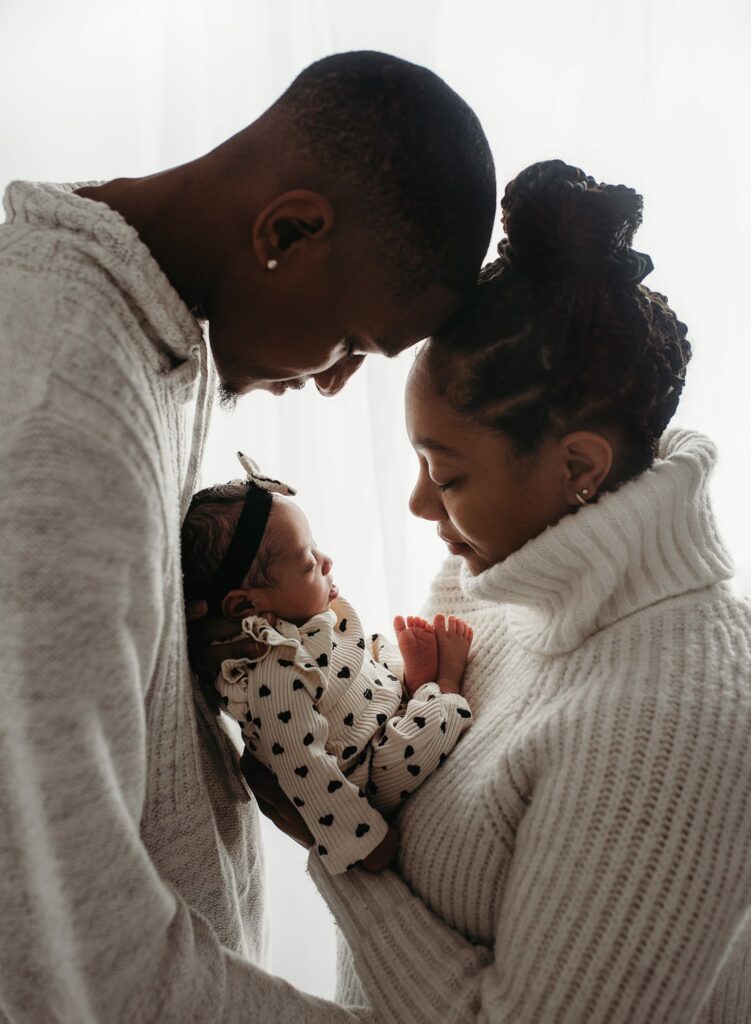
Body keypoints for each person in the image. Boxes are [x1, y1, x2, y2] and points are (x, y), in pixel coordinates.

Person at [0, 51, 495, 1022]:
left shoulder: (157, 340)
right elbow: (64, 950)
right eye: (350, 345)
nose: (332, 382)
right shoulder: (60, 409)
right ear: (288, 231)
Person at [255, 160, 749, 1022]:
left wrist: (337, 846)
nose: (419, 505)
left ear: (577, 467)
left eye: (445, 475)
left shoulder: (685, 720)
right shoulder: (488, 578)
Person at [181, 455, 474, 876]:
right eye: (307, 562)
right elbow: (304, 767)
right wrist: (363, 839)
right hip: (371, 764)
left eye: (315, 545)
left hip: (366, 704)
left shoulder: (303, 620)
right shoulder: (273, 673)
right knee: (424, 736)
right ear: (246, 606)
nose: (326, 561)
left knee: (376, 648)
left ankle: (409, 684)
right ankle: (442, 688)